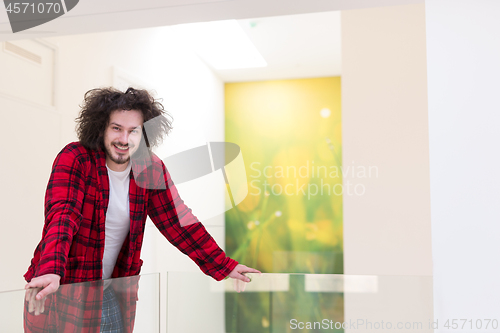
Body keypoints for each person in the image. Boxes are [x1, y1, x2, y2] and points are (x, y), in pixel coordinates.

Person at [23, 87, 259, 332]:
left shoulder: (151, 168)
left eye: (133, 131)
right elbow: (62, 215)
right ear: (100, 127)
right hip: (62, 288)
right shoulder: (76, 158)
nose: (124, 140)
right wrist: (51, 269)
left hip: (111, 292)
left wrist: (224, 264)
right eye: (116, 128)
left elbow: (179, 223)